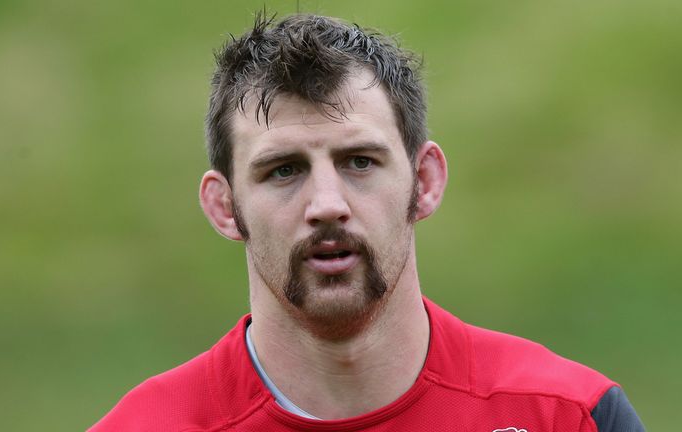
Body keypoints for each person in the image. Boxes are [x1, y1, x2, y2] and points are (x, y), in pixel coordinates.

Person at [89, 13, 645, 432]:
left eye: (360, 161)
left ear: (423, 182)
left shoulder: (568, 416)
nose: (327, 204)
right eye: (284, 170)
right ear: (225, 207)